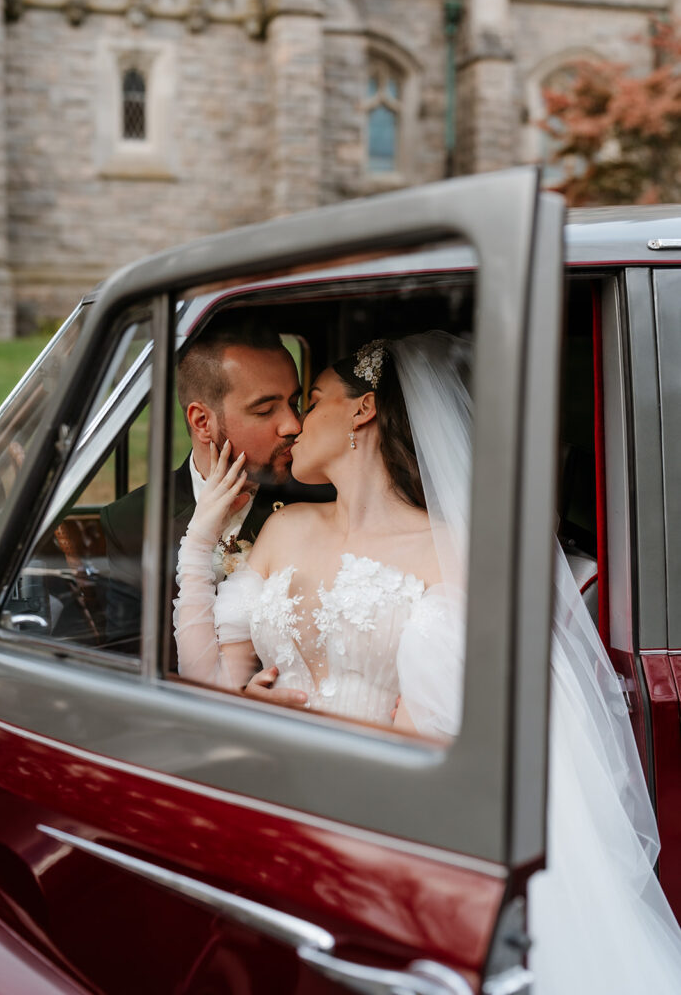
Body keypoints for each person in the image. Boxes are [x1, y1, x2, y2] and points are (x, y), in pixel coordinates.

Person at [174, 329, 681, 994]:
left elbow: (449, 747)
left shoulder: (455, 555)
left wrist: (296, 734)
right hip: (269, 816)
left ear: (362, 411)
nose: (294, 426)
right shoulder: (281, 528)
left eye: (314, 399)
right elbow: (206, 684)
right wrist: (200, 540)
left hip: (389, 832)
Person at [100, 320, 303, 650]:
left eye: (294, 402)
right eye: (266, 410)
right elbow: (130, 661)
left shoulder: (319, 501)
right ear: (202, 422)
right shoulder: (130, 521)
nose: (293, 424)